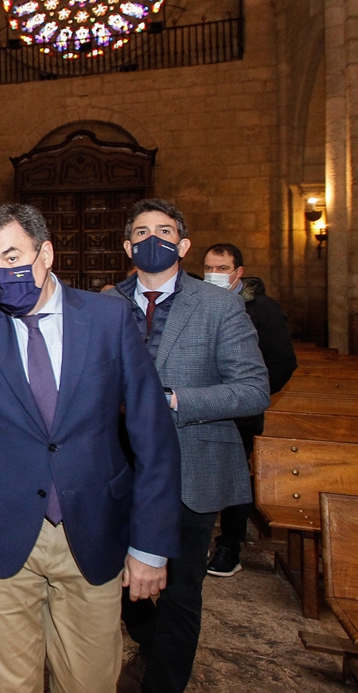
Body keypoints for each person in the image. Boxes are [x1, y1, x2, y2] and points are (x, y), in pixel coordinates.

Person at [0, 203, 181, 693]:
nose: (1, 274)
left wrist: (151, 545)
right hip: (2, 528)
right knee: (9, 684)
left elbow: (153, 434)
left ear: (46, 254)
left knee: (89, 681)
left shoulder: (108, 318)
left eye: (12, 256)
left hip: (94, 527)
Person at [106, 201, 270, 693]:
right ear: (128, 246)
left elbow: (253, 388)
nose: (152, 238)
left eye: (164, 231)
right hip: (117, 464)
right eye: (141, 232)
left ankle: (165, 682)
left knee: (180, 590)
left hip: (191, 461)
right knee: (115, 579)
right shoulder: (106, 303)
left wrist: (175, 399)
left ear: (182, 245)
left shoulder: (219, 305)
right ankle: (148, 638)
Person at [201, 243, 297, 578]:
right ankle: (193, 542)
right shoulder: (200, 304)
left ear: (238, 272)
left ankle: (230, 546)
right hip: (201, 407)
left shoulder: (263, 309)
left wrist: (248, 395)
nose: (214, 275)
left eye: (221, 268)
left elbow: (282, 361)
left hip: (238, 413)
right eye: (209, 268)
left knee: (234, 480)